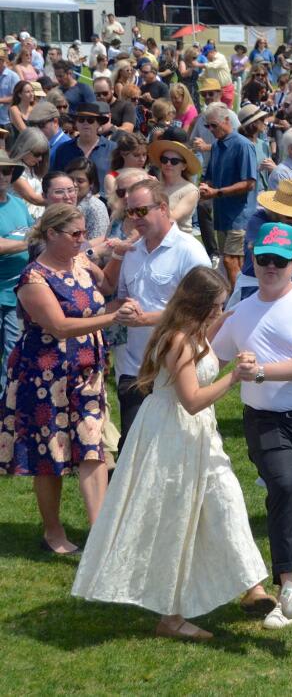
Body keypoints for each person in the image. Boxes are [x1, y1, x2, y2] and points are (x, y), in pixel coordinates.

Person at [71, 267, 267, 642]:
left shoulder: (195, 332)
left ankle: (252, 586)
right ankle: (171, 616)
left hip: (200, 435)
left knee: (226, 501)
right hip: (171, 434)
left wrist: (228, 328)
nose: (219, 311)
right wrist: (234, 378)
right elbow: (191, 401)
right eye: (216, 305)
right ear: (199, 304)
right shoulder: (178, 340)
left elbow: (204, 368)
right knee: (173, 519)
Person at [211, 221, 292, 630]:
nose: (270, 267)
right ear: (252, 258)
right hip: (264, 420)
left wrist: (261, 371)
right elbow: (211, 357)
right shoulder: (240, 312)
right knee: (285, 486)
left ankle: (289, 591)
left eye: (279, 261)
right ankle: (291, 585)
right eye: (264, 258)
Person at [0, 204, 122, 554]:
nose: (82, 239)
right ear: (51, 234)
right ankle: (53, 533)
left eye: (84, 232)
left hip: (87, 374)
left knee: (93, 447)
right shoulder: (33, 279)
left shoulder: (81, 262)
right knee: (49, 456)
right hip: (45, 377)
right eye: (75, 234)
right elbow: (60, 326)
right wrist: (111, 319)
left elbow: (107, 285)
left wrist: (119, 254)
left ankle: (99, 537)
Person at [111, 180, 210, 451]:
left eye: (141, 211)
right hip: (134, 369)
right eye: (130, 212)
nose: (134, 218)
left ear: (163, 208)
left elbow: (204, 310)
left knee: (173, 453)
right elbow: (123, 297)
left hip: (175, 371)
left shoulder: (190, 251)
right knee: (132, 450)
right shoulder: (132, 252)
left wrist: (146, 319)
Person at [198, 103, 256, 286]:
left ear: (226, 120)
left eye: (213, 125)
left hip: (240, 216)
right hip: (222, 216)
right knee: (231, 262)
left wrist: (216, 193)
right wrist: (204, 187)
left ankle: (237, 299)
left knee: (231, 261)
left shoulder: (243, 145)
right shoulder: (216, 146)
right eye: (207, 126)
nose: (210, 129)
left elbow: (249, 183)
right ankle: (238, 296)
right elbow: (210, 177)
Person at [0, 150, 32, 388]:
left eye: (7, 170)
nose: (3, 175)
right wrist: (28, 243)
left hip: (17, 292)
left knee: (14, 351)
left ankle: (5, 400)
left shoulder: (19, 204)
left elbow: (35, 233)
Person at [149, 138, 201, 235]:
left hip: (178, 240)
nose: (168, 164)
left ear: (184, 166)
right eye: (164, 160)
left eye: (174, 161)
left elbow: (171, 219)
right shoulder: (155, 186)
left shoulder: (191, 190)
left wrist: (157, 192)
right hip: (155, 238)